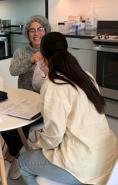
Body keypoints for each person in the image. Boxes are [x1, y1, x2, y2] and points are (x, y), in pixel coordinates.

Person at [18, 32, 118, 185]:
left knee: (23, 162)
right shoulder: (86, 75)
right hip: (109, 155)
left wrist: (36, 145)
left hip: (83, 165)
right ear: (66, 49)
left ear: (43, 57)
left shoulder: (53, 85)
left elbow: (54, 136)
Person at [0, 15, 51, 182]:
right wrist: (31, 60)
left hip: (44, 103)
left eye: (40, 29)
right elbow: (13, 70)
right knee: (3, 121)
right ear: (27, 33)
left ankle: (8, 158)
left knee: (22, 125)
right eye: (32, 30)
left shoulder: (51, 51)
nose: (36, 33)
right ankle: (16, 156)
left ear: (46, 30)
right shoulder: (21, 52)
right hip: (22, 100)